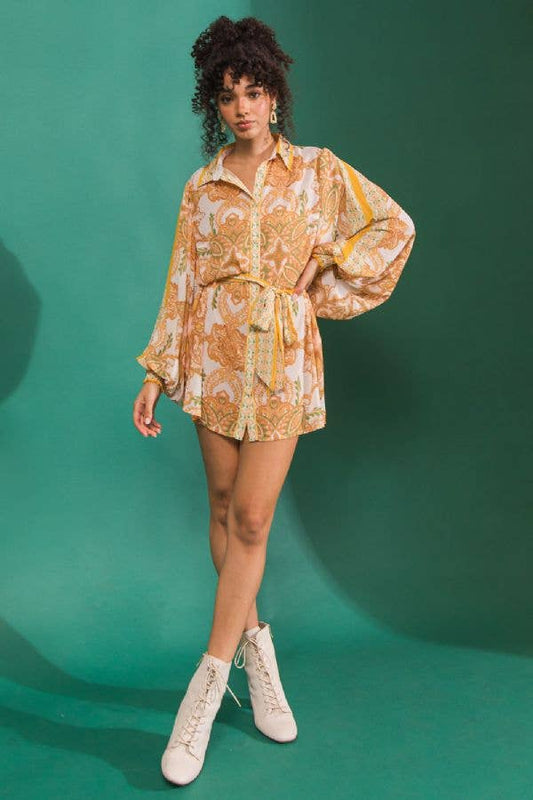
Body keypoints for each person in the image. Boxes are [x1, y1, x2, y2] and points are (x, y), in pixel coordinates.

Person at [132, 15, 416, 786]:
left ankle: (203, 689)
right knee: (224, 508)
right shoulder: (202, 188)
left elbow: (392, 227)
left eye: (253, 92)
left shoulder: (318, 172)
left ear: (275, 94)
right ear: (213, 104)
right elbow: (182, 282)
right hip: (211, 358)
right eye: (227, 97)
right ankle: (257, 659)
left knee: (253, 520)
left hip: (283, 360)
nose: (242, 108)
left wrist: (325, 270)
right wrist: (157, 370)